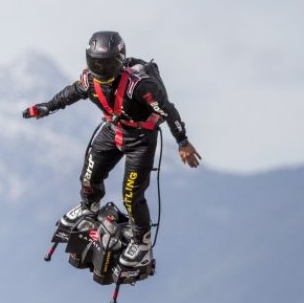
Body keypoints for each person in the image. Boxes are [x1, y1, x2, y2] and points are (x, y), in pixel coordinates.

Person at [22, 31, 201, 268]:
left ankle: (142, 241)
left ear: (118, 60)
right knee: (88, 177)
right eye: (95, 62)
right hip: (113, 129)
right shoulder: (89, 81)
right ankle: (89, 207)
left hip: (140, 139)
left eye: (105, 63)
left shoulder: (140, 86)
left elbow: (168, 110)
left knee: (131, 196)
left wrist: (183, 142)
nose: (100, 68)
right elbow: (69, 94)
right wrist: (44, 107)